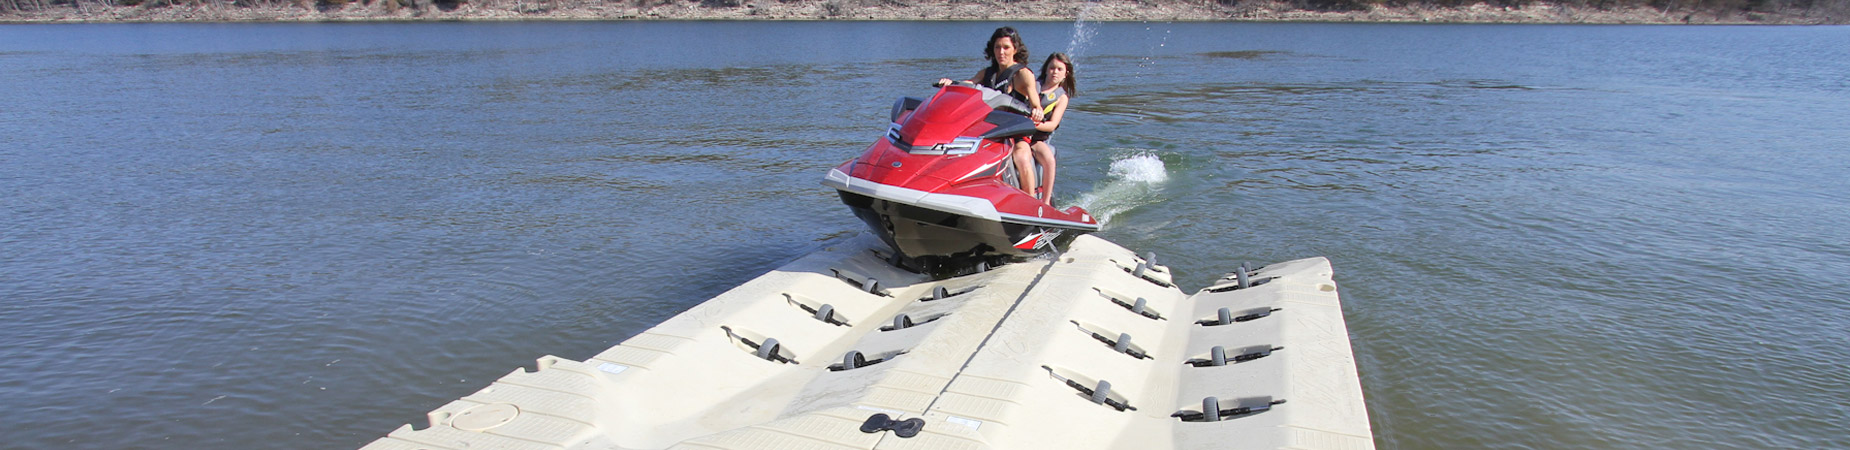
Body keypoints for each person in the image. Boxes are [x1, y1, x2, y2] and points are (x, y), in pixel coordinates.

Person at [936, 27, 1044, 194]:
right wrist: (951, 83)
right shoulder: (988, 73)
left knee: (1021, 157)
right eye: (997, 47)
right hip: (991, 128)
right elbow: (969, 84)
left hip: (1016, 129)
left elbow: (1036, 104)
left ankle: (1029, 203)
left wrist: (1037, 111)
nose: (1001, 52)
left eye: (1006, 47)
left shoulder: (1023, 74)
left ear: (1015, 49)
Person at [1028, 53, 1075, 204]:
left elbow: (1052, 124)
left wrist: (1032, 124)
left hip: (1036, 138)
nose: (1055, 72)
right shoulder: (1033, 85)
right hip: (1016, 133)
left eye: (1059, 69)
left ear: (1065, 74)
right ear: (1046, 69)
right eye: (1052, 68)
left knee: (1049, 160)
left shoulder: (1062, 98)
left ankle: (1045, 202)